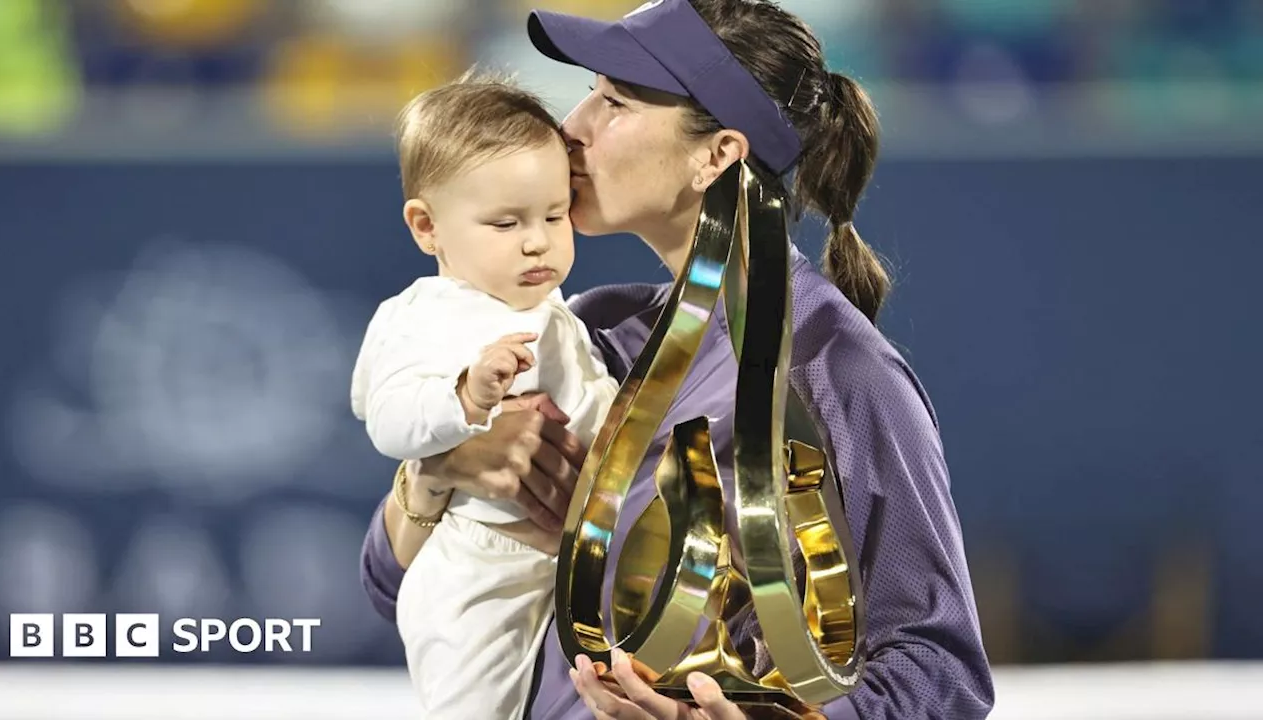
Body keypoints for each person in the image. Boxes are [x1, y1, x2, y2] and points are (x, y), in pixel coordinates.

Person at [359, 1, 996, 718]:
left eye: (615, 102)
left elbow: (940, 673)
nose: (571, 129)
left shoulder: (840, 369)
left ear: (717, 155)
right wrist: (439, 473)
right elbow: (388, 583)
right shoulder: (593, 329)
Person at [350, 73, 619, 719]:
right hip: (476, 571)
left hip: (560, 569)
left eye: (555, 215)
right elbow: (386, 418)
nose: (537, 240)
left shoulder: (559, 313)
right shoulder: (424, 315)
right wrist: (466, 399)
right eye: (505, 222)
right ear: (426, 227)